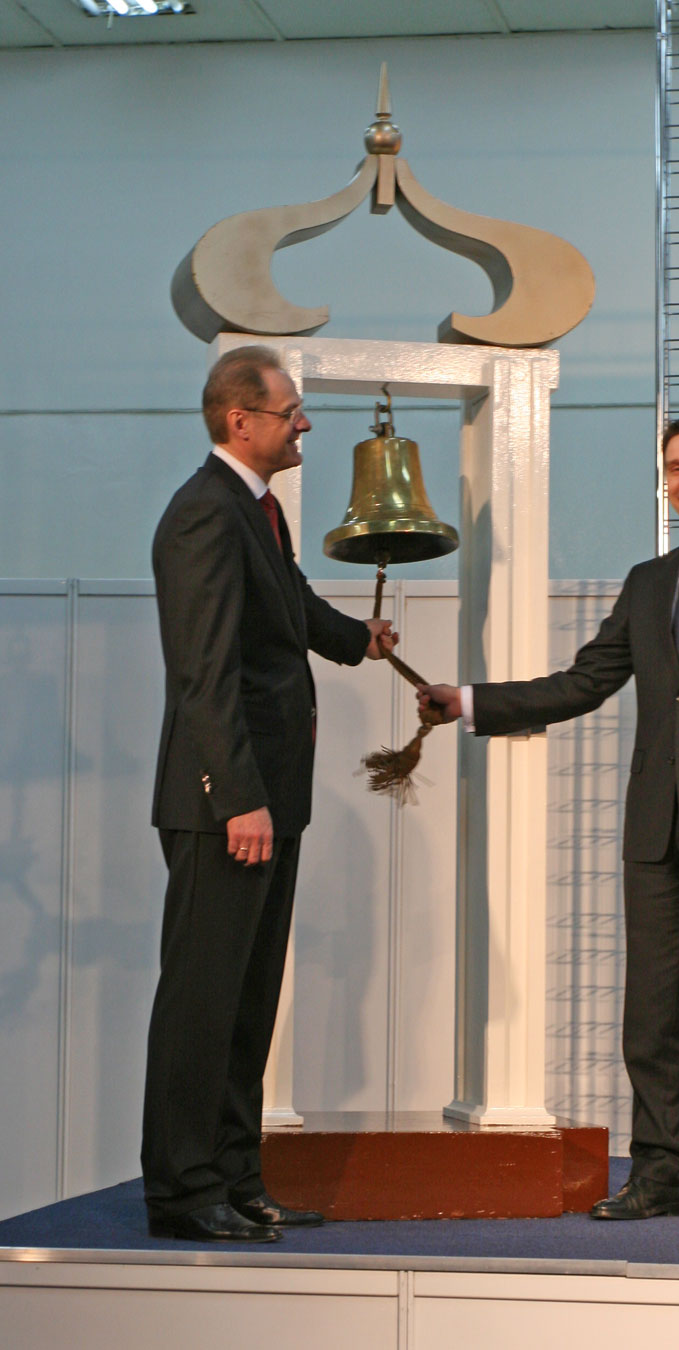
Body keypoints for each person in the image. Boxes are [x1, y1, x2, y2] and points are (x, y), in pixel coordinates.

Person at [419, 415, 679, 1230]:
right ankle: (658, 1172)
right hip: (655, 826)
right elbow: (585, 682)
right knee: (651, 1011)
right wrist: (469, 702)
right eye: (676, 468)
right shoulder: (649, 582)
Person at [142, 345, 397, 1243]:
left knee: (247, 1003)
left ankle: (237, 1180)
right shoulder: (203, 514)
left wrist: (356, 639)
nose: (305, 424)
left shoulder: (256, 510)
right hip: (227, 806)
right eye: (291, 411)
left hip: (268, 799)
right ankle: (183, 1192)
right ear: (239, 419)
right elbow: (203, 671)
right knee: (202, 1002)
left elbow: (286, 604)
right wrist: (236, 797)